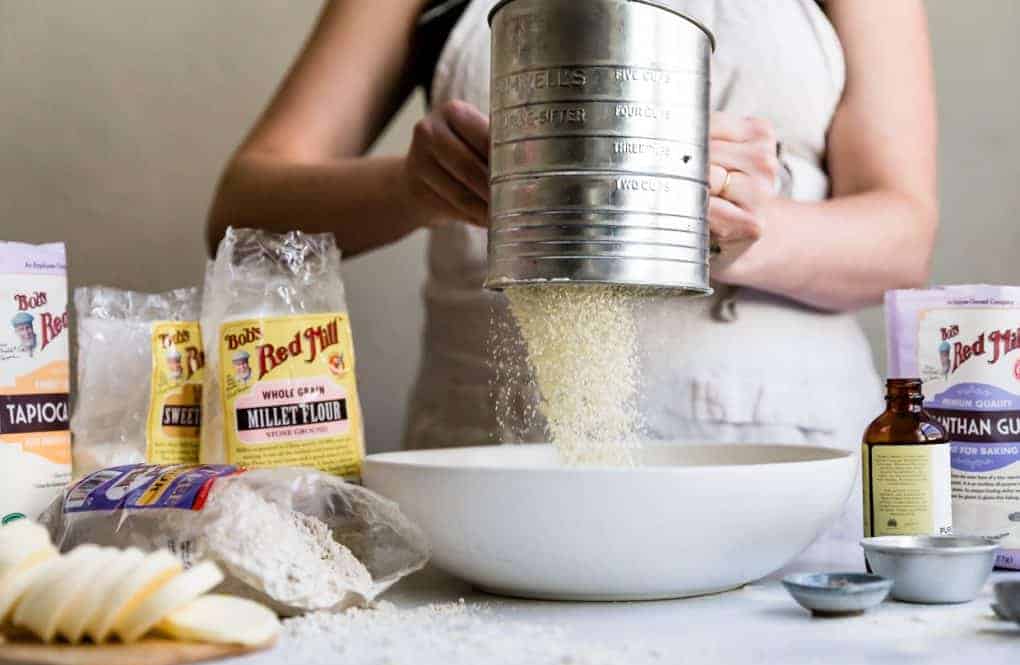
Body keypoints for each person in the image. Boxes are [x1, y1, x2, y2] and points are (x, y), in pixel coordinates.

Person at [207, 1, 937, 563]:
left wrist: (748, 230)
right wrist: (410, 188)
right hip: (492, 489)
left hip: (786, 501)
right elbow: (243, 208)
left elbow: (905, 238)